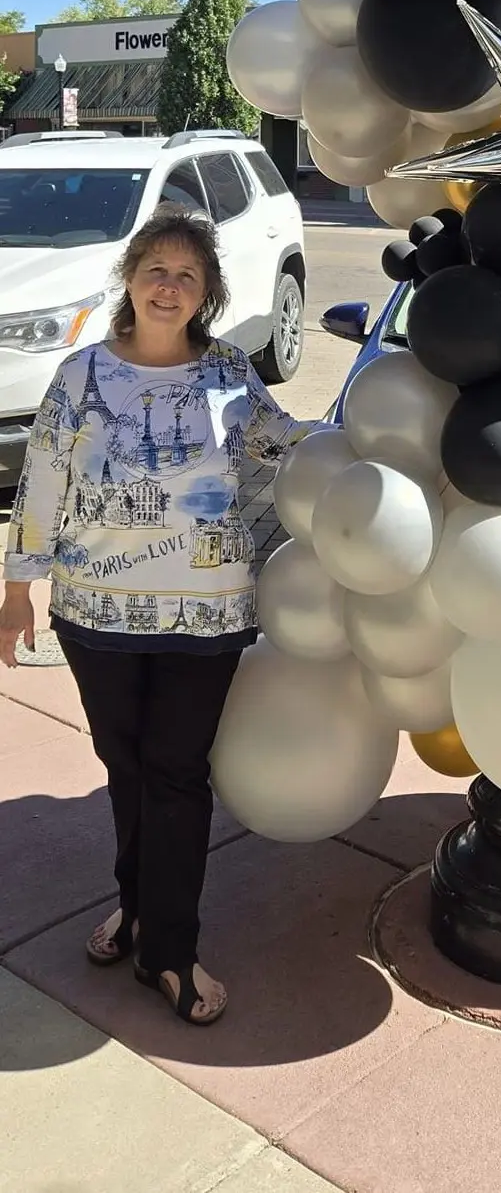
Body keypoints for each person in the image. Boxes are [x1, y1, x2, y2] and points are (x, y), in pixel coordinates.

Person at [0, 204, 318, 1026]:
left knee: (176, 776)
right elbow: (40, 485)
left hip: (205, 621)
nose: (168, 286)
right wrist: (15, 591)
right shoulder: (79, 377)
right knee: (127, 766)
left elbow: (287, 449)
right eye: (155, 270)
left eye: (187, 274)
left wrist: (361, 446)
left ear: (207, 291)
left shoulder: (230, 376)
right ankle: (138, 908)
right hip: (96, 613)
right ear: (130, 279)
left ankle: (168, 952)